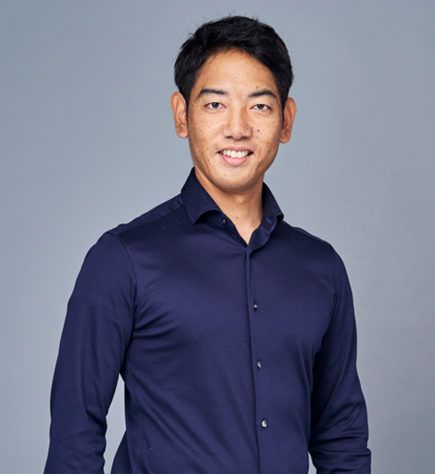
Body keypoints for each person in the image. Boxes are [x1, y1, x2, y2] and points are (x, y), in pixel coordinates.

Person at [44, 15, 371, 474]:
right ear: (182, 115)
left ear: (286, 120)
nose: (237, 128)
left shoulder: (322, 268)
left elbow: (341, 435)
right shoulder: (123, 259)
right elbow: (74, 437)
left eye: (260, 106)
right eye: (215, 104)